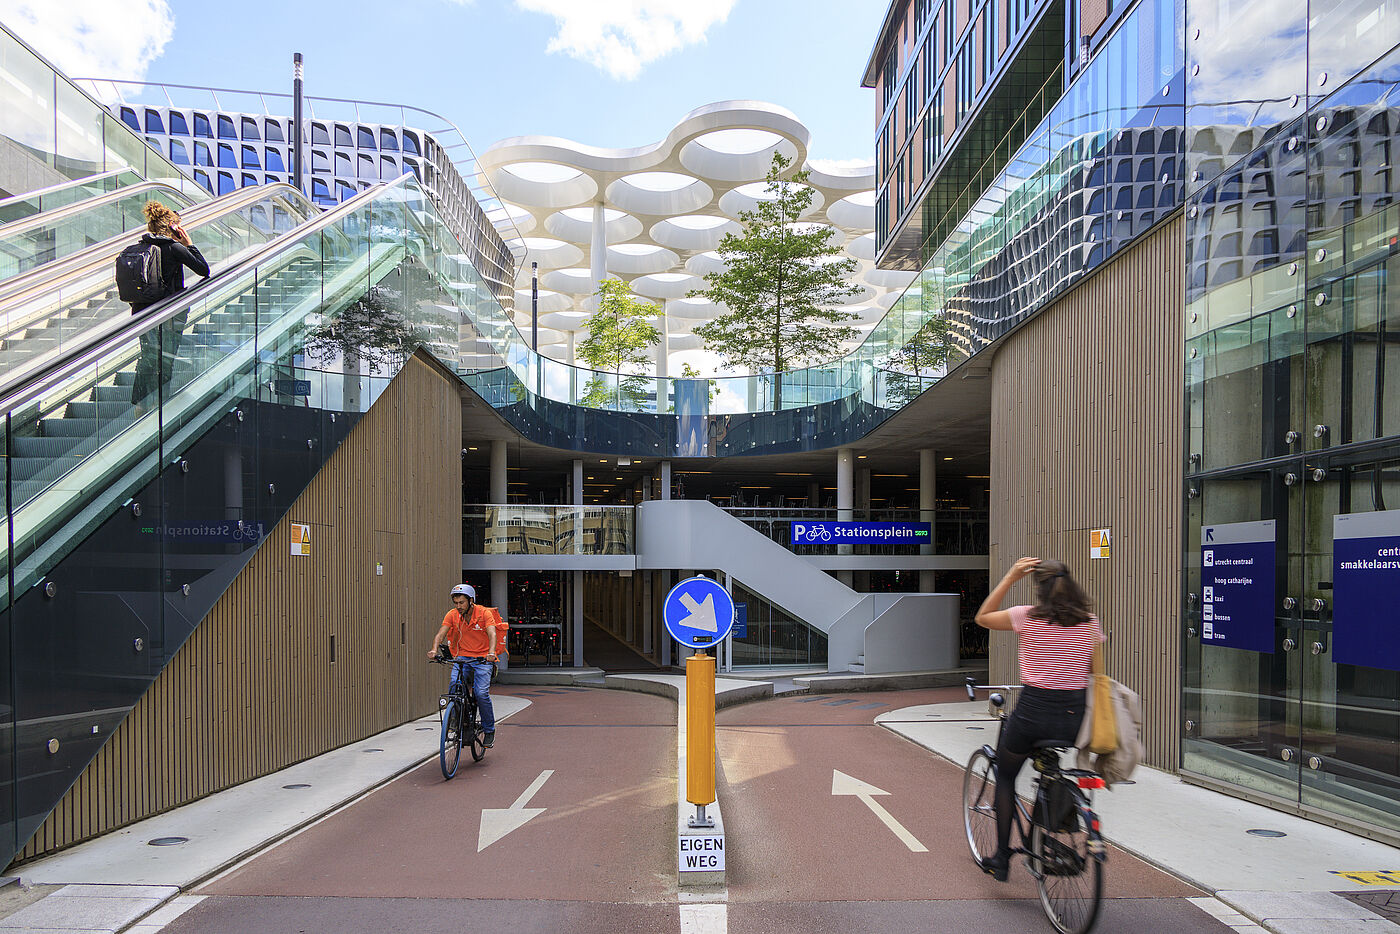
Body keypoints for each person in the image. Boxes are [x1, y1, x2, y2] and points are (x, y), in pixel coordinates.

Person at [973, 556, 1103, 881]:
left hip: (1032, 715)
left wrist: (1010, 576)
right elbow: (1097, 676)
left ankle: (1002, 858)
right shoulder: (1090, 622)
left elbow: (983, 617)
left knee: (1005, 776)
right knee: (1052, 769)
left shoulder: (1026, 617)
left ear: (1038, 587)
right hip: (1074, 719)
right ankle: (1057, 804)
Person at [128, 201, 210, 412]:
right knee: (165, 359)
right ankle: (158, 405)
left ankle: (140, 405)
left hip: (141, 313)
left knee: (147, 356)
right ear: (174, 228)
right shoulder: (174, 248)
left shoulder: (140, 247)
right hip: (168, 315)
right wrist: (188, 243)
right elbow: (203, 269)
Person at [427, 583, 499, 747]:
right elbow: (441, 633)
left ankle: (489, 730)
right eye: (456, 603)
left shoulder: (484, 613)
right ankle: (455, 719)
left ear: (471, 601)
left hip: (482, 659)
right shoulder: (452, 615)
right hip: (462, 657)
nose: (458, 606)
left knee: (481, 694)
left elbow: (492, 633)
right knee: (454, 686)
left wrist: (492, 653)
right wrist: (433, 649)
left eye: (461, 603)